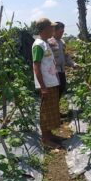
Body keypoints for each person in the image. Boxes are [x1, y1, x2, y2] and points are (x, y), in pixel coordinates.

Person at [32, 18, 61, 148]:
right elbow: (36, 67)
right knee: (45, 112)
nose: (53, 30)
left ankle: (49, 135)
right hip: (46, 85)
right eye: (52, 27)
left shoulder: (45, 43)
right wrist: (43, 87)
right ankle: (45, 139)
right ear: (44, 29)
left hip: (51, 82)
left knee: (51, 111)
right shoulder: (38, 45)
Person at [48, 22, 79, 98]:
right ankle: (54, 108)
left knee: (61, 89)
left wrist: (73, 64)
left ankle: (56, 107)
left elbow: (67, 57)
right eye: (60, 32)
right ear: (54, 31)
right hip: (53, 72)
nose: (62, 33)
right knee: (54, 92)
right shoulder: (49, 42)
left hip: (61, 71)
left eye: (63, 31)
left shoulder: (62, 42)